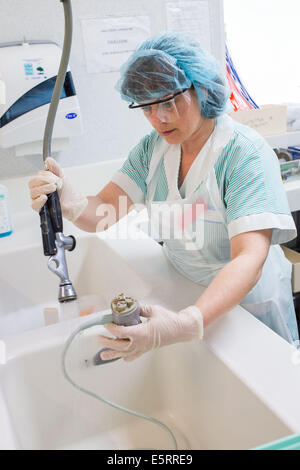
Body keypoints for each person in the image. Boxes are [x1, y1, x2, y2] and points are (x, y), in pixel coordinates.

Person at [28, 32, 299, 362]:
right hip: (185, 296)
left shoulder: (244, 154)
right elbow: (104, 212)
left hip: (246, 307)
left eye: (169, 102)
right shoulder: (153, 150)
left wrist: (188, 323)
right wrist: (72, 203)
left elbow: (249, 259)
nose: (159, 118)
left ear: (201, 88)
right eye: (148, 106)